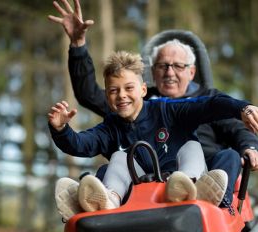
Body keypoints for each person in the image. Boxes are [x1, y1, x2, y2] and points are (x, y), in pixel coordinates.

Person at [48, 0, 258, 213]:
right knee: (116, 160)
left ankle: (195, 192)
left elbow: (221, 111)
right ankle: (100, 203)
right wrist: (61, 129)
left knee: (210, 151)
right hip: (140, 184)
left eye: (177, 66)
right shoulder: (124, 110)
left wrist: (247, 124)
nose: (169, 72)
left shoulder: (181, 106)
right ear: (153, 74)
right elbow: (83, 131)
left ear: (191, 72)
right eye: (162, 66)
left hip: (198, 169)